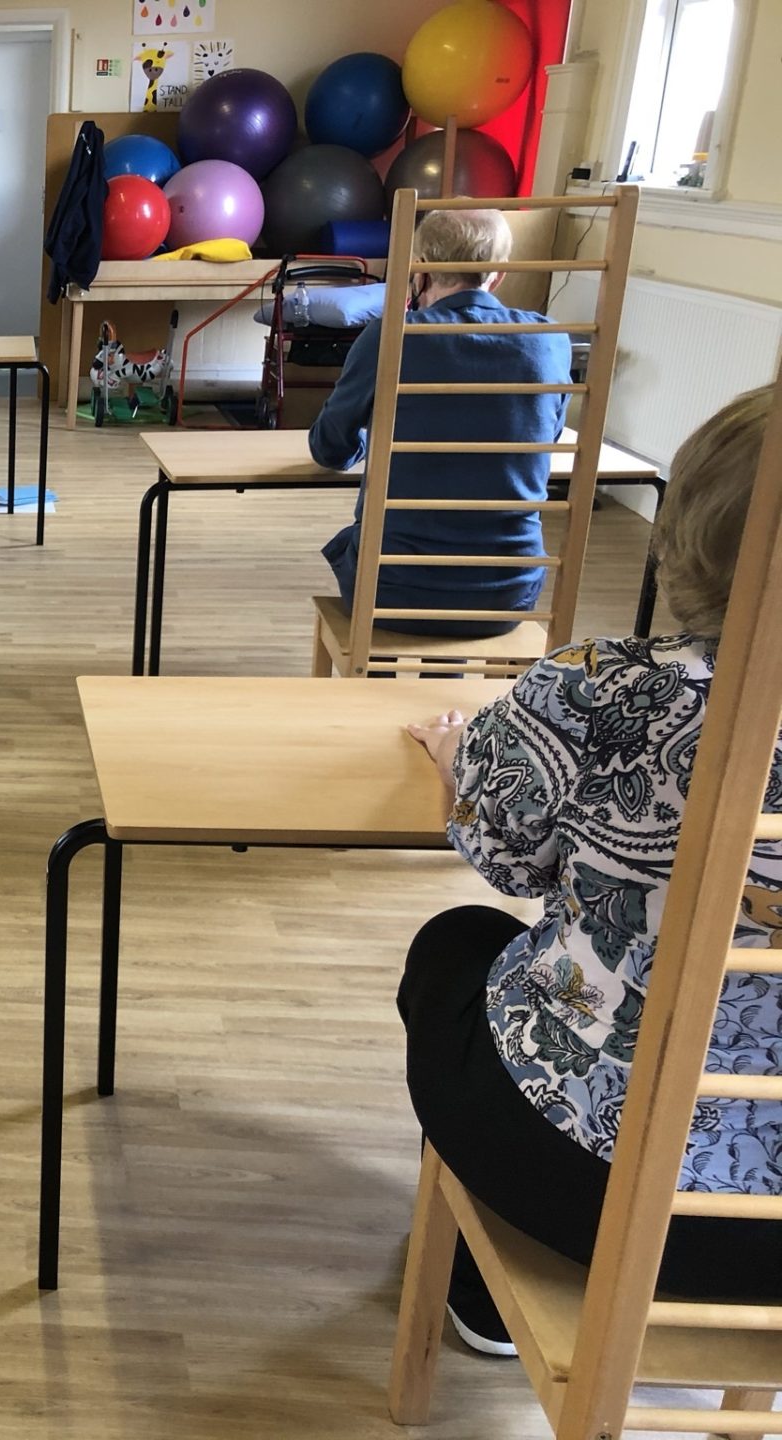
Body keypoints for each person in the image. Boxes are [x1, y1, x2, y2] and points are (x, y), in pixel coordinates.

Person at [399, 385, 782, 1357]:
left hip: (569, 1180)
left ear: (678, 540)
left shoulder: (602, 690)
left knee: (456, 944)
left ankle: (484, 1291)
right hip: (765, 1249)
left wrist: (460, 772)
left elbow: (504, 857)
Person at [310, 208, 573, 637]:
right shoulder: (549, 339)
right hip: (506, 593)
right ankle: (447, 687)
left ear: (422, 271)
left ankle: (389, 687)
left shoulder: (391, 334)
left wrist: (369, 438)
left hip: (392, 585)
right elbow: (547, 436)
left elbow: (329, 449)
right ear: (499, 274)